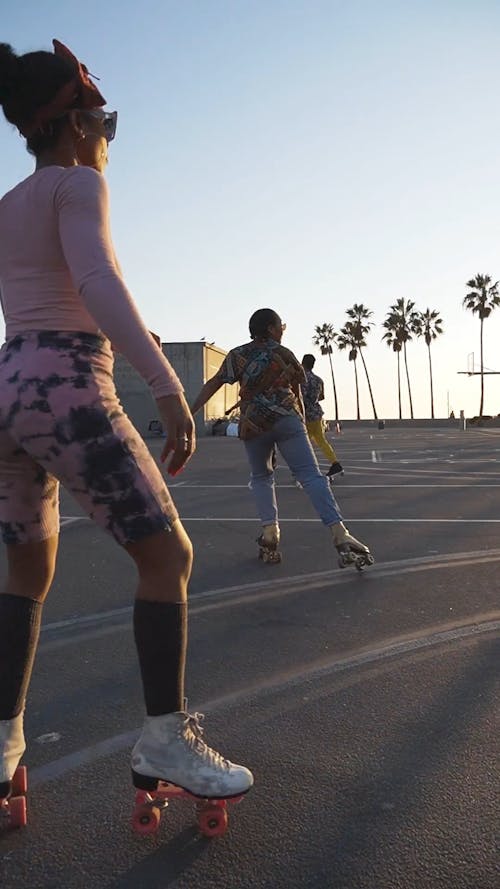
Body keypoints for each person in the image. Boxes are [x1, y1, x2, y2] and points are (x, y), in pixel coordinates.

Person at [0, 40, 253, 806]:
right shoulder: (77, 187)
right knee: (167, 557)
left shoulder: (9, 202)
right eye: (104, 122)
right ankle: (163, 738)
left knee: (27, 573)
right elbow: (97, 279)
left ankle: (3, 735)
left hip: (9, 382)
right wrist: (167, 386)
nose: (108, 138)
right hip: (70, 381)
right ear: (74, 125)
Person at [191, 309, 373, 566]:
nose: (282, 331)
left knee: (262, 477)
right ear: (270, 329)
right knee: (310, 475)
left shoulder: (238, 355)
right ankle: (339, 533)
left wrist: (189, 414)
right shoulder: (285, 354)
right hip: (287, 420)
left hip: (254, 424)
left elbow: (213, 384)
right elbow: (297, 391)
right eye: (280, 327)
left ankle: (270, 532)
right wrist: (298, 420)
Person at [301, 354, 343, 478]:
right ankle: (335, 463)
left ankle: (306, 469)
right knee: (321, 441)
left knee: (304, 443)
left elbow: (301, 396)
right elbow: (322, 397)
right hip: (317, 413)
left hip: (306, 415)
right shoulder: (318, 380)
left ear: (303, 363)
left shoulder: (303, 378)